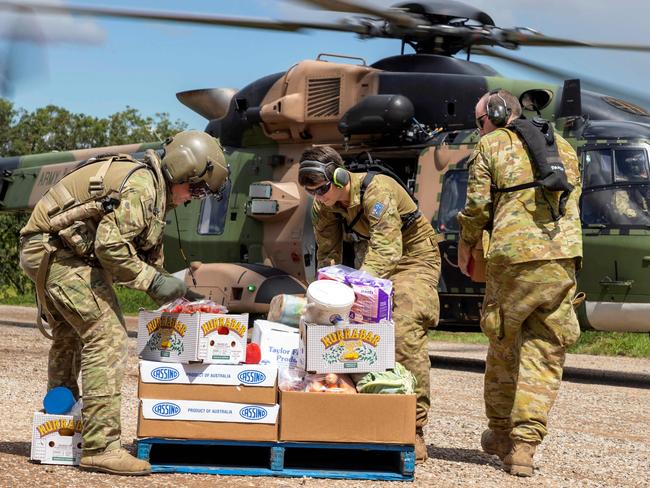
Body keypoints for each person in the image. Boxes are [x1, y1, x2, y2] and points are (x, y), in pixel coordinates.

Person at [19, 130, 229, 476]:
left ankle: (59, 428)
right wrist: (152, 281)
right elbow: (110, 248)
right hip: (57, 253)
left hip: (52, 251)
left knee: (71, 336)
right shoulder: (144, 187)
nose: (195, 198)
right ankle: (102, 447)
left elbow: (141, 253)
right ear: (181, 171)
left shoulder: (152, 190)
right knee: (108, 336)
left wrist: (173, 292)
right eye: (196, 188)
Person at [457, 90, 582, 476]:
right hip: (561, 259)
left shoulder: (490, 146)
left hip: (513, 258)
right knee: (546, 350)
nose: (479, 129)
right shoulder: (564, 147)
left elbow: (477, 207)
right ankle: (525, 447)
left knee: (504, 342)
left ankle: (499, 435)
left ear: (494, 115)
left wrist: (466, 244)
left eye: (479, 121)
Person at [298, 146, 440, 463]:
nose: (318, 197)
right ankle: (356, 413)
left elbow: (389, 251)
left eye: (321, 189)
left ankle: (412, 427)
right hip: (370, 262)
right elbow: (329, 257)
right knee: (339, 326)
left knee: (402, 328)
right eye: (311, 192)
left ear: (339, 176)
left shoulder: (378, 189)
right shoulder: (322, 207)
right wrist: (328, 298)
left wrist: (357, 288)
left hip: (413, 259)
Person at [611, 152, 650, 224]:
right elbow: (623, 209)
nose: (644, 173)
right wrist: (640, 215)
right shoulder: (623, 187)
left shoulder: (644, 185)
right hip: (634, 224)